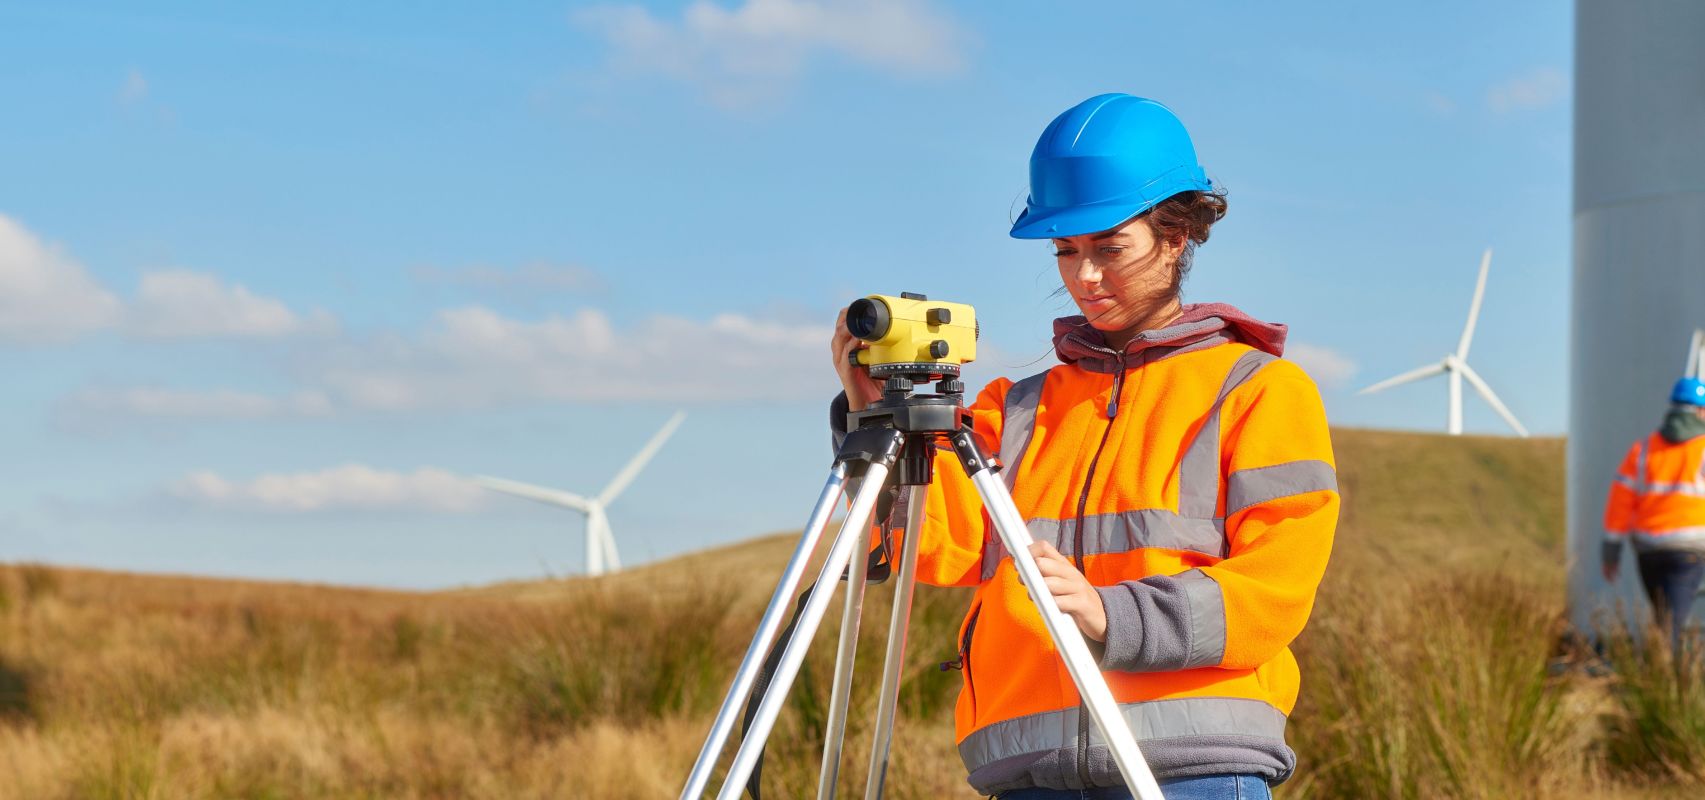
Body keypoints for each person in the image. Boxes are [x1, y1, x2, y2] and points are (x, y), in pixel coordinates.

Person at [829, 94, 1339, 800]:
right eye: (1065, 251)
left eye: (1108, 247)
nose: (1083, 278)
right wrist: (867, 408)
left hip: (1193, 769)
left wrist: (1113, 615)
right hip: (1029, 771)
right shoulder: (1014, 406)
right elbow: (922, 546)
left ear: (1177, 234)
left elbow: (1275, 590)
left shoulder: (1255, 389)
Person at [1602, 376, 1705, 651]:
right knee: (1671, 624)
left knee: (1663, 620)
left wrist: (1611, 548)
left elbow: (1620, 500)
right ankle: (1666, 685)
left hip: (1648, 551)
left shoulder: (1644, 449)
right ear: (1700, 411)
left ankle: (1660, 678)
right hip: (1689, 551)